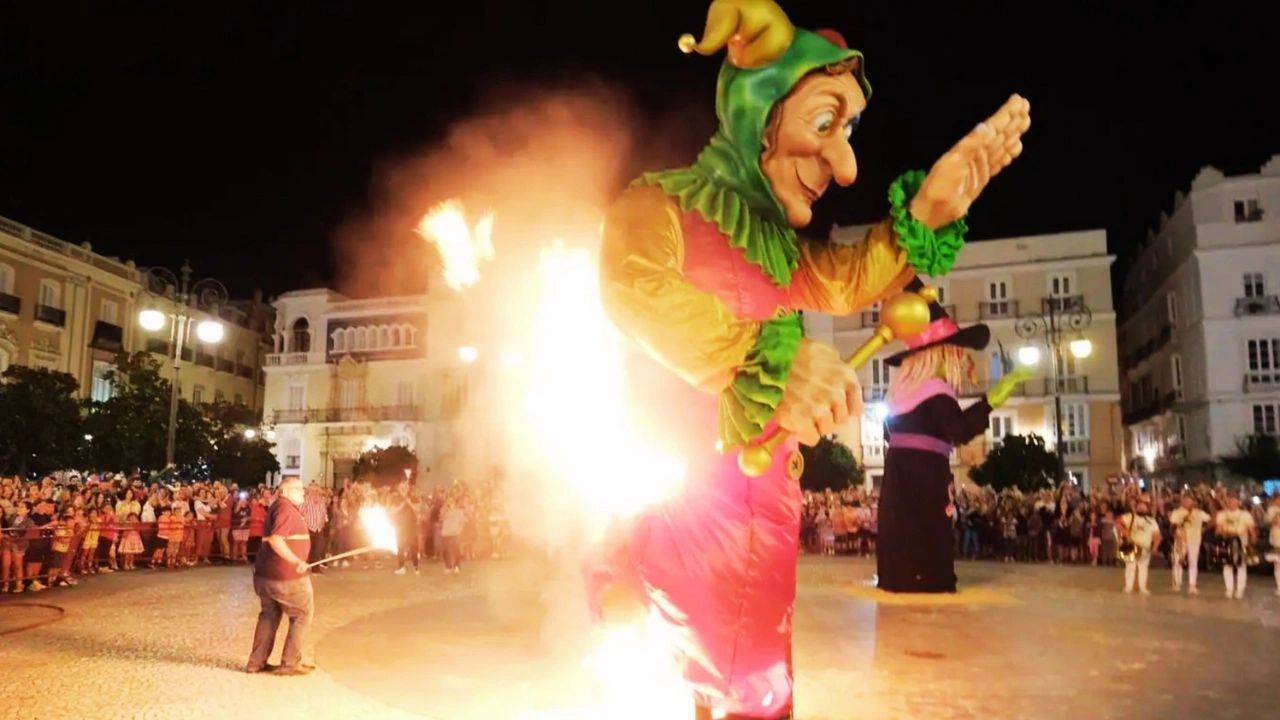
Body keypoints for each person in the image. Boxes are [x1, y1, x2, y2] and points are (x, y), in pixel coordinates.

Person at [595, 1, 1029, 714]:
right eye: (824, 124)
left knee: (754, 690)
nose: (846, 165)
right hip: (684, 522)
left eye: (849, 130)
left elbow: (853, 275)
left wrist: (928, 210)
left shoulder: (786, 253)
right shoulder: (659, 210)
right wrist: (754, 360)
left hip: (763, 529)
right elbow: (631, 282)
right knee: (734, 683)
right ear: (753, 114)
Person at [877, 302, 1031, 592]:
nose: (960, 359)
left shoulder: (899, 396)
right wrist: (992, 400)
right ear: (941, 354)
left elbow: (888, 435)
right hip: (927, 477)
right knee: (929, 531)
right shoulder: (937, 391)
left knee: (900, 530)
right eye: (955, 352)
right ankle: (927, 580)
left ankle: (897, 577)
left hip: (897, 477)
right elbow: (958, 430)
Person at [245, 478, 315, 675]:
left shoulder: (278, 507)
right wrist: (296, 561)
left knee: (269, 615)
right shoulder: (285, 508)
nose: (303, 493)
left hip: (265, 574)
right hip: (285, 576)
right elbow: (276, 540)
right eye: (299, 489)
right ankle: (290, 663)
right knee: (302, 614)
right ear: (286, 491)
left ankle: (256, 662)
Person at [1214, 494, 1256, 600]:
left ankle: (1240, 590)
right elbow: (1218, 529)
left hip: (1242, 540)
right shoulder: (1222, 514)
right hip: (1226, 540)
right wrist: (1222, 532)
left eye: (1234, 501)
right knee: (1227, 565)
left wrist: (1252, 540)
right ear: (1227, 502)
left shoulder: (1245, 514)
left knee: (1241, 565)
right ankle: (1229, 589)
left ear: (1238, 502)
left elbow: (1251, 529)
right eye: (1230, 501)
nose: (1232, 503)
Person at [1168, 494, 1211, 594]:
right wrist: (1175, 534)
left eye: (1189, 501)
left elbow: (1210, 519)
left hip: (1194, 540)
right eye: (1185, 501)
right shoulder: (1177, 512)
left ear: (1193, 502)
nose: (1187, 503)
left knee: (1193, 562)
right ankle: (1176, 584)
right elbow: (1172, 525)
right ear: (1182, 502)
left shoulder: (1199, 513)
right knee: (1177, 562)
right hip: (1180, 539)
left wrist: (1204, 529)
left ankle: (1192, 585)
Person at [1117, 500, 1160, 595]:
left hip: (1145, 548)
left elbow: (1156, 535)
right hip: (1132, 546)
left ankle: (1142, 587)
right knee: (1130, 567)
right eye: (1140, 506)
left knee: (1143, 568)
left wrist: (1155, 547)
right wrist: (1125, 533)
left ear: (1147, 509)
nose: (1141, 508)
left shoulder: (1152, 521)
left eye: (1144, 507)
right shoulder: (1130, 517)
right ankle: (1128, 586)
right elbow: (1118, 523)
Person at [1266, 494, 1280, 596]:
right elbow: (1270, 522)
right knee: (1278, 564)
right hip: (1276, 539)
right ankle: (1279, 586)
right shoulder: (1271, 510)